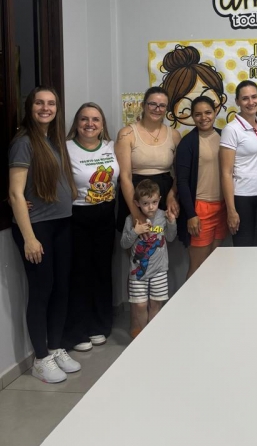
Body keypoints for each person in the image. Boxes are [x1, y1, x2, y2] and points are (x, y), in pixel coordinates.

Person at [8, 87, 81, 383]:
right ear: (30, 107)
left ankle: (55, 347)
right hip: (38, 228)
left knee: (61, 288)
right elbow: (15, 193)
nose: (45, 108)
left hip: (62, 223)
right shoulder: (23, 142)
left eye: (51, 103)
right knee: (41, 292)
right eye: (39, 103)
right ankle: (40, 359)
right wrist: (29, 238)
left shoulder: (54, 140)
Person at [63, 102, 119, 351]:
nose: (90, 124)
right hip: (77, 216)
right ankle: (78, 330)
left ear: (102, 124)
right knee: (79, 272)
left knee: (102, 270)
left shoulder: (110, 146)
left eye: (95, 119)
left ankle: (100, 325)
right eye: (84, 119)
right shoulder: (66, 148)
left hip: (106, 214)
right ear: (76, 123)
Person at [115, 86, 181, 231]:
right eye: (152, 104)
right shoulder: (127, 134)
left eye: (162, 105)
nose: (157, 109)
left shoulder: (174, 135)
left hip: (164, 192)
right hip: (135, 194)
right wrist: (136, 212)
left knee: (160, 238)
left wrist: (172, 195)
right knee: (135, 239)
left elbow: (179, 173)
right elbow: (125, 176)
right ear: (143, 105)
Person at [175, 96, 226, 278]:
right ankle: (191, 297)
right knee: (198, 267)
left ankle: (212, 297)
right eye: (198, 114)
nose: (203, 118)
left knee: (215, 264)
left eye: (208, 112)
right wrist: (191, 214)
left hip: (222, 208)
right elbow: (182, 181)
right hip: (200, 210)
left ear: (215, 112)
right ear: (192, 116)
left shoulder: (224, 136)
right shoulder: (187, 143)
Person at [120, 179, 177, 337]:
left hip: (159, 270)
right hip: (138, 272)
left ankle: (152, 336)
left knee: (156, 303)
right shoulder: (130, 220)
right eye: (145, 203)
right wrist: (135, 232)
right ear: (137, 203)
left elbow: (171, 238)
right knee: (140, 305)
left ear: (159, 199)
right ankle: (144, 335)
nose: (150, 207)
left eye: (154, 202)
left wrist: (172, 223)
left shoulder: (162, 216)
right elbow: (124, 244)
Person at [219, 80, 257, 247]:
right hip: (242, 198)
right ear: (237, 102)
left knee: (256, 247)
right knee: (243, 249)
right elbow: (226, 173)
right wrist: (231, 210)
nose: (251, 102)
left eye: (254, 97)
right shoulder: (231, 129)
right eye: (245, 98)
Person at [160, 44, 227, 128]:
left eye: (208, 111)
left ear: (222, 99)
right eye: (187, 109)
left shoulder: (224, 134)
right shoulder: (183, 137)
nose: (203, 117)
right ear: (171, 115)